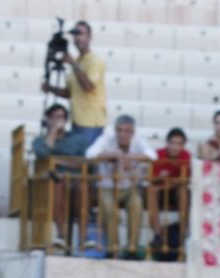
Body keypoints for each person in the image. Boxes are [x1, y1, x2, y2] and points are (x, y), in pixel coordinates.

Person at [85, 115, 154, 259]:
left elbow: (152, 156)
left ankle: (132, 247)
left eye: (127, 131)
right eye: (120, 130)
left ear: (133, 132)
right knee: (109, 207)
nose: (123, 134)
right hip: (107, 186)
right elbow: (89, 154)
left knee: (137, 204)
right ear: (115, 130)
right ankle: (112, 247)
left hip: (129, 187)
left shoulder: (138, 141)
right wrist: (112, 155)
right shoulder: (106, 139)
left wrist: (127, 158)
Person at [41, 21, 106, 152]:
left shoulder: (95, 61)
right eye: (75, 34)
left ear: (89, 37)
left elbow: (88, 87)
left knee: (88, 162)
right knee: (78, 160)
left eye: (80, 34)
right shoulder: (77, 62)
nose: (77, 38)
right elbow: (69, 93)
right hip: (77, 121)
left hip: (91, 123)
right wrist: (50, 88)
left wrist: (72, 63)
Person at [147, 128, 191, 262]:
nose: (174, 147)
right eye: (172, 142)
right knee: (151, 191)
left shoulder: (186, 156)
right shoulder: (157, 154)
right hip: (159, 190)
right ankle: (157, 233)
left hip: (174, 190)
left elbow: (184, 179)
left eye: (178, 143)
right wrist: (162, 181)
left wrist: (167, 183)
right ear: (167, 143)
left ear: (183, 145)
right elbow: (151, 179)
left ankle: (182, 234)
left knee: (183, 191)